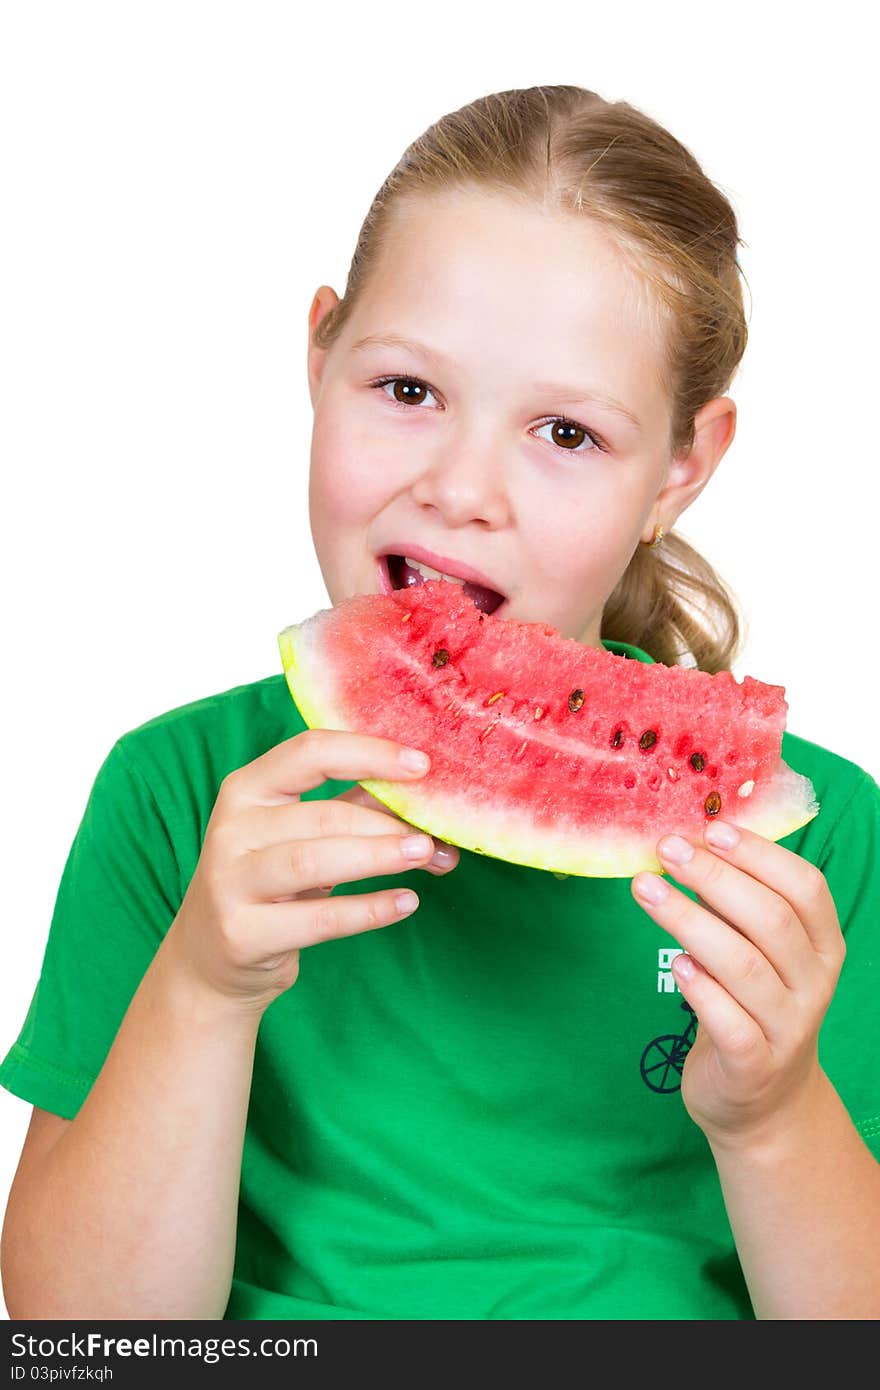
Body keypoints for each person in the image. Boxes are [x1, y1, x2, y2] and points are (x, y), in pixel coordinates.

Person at [1, 84, 878, 1323]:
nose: (462, 487)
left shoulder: (809, 841)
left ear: (681, 466)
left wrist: (773, 1117)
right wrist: (203, 987)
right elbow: (79, 1339)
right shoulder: (174, 799)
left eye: (565, 432)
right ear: (320, 354)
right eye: (407, 390)